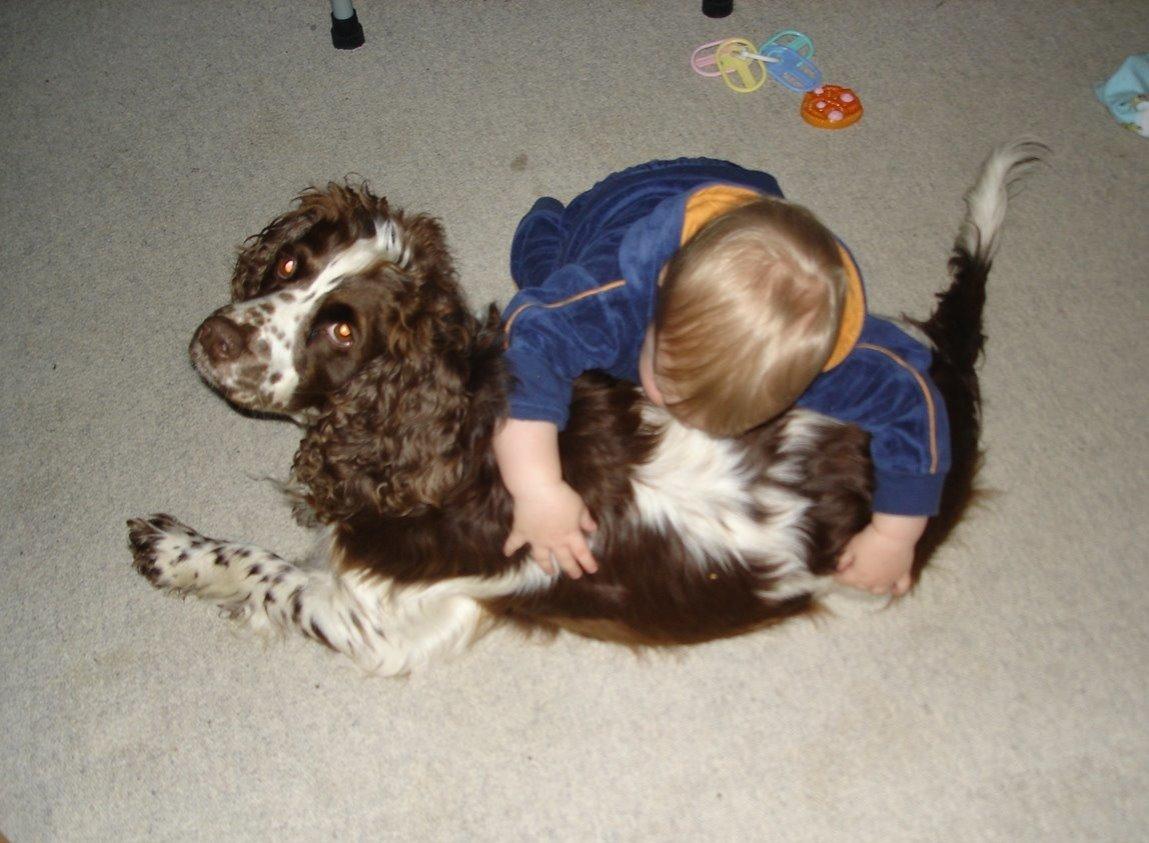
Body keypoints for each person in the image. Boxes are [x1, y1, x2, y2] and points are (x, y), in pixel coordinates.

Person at [494, 158, 949, 596]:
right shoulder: (614, 298)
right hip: (620, 204)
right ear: (662, 286)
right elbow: (529, 348)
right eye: (666, 389)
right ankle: (547, 219)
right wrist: (538, 489)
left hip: (752, 197)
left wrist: (894, 536)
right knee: (542, 276)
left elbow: (913, 404)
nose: (686, 420)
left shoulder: (822, 353)